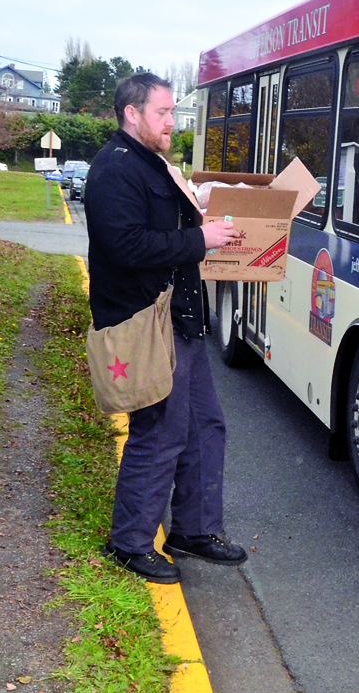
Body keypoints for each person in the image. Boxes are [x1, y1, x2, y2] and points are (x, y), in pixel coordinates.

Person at [84, 72, 247, 584]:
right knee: (160, 432)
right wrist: (201, 238)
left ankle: (193, 531)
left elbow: (167, 229)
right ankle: (129, 542)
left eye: (173, 113)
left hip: (183, 319)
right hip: (146, 321)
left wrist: (200, 214)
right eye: (163, 113)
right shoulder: (114, 169)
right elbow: (126, 247)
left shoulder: (153, 164)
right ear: (132, 113)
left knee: (204, 427)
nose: (172, 123)